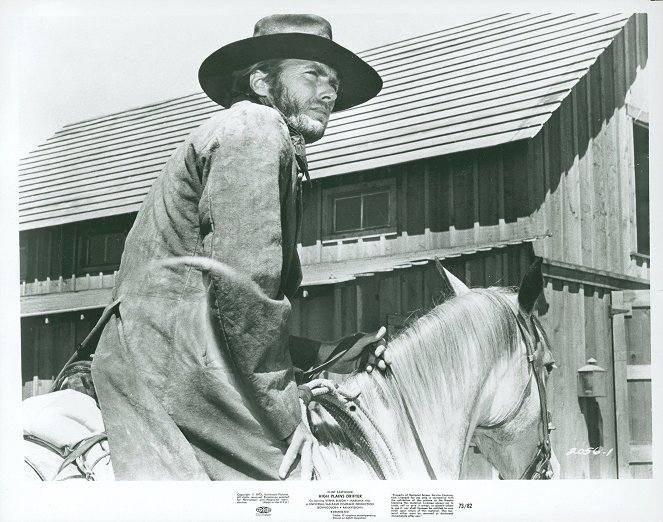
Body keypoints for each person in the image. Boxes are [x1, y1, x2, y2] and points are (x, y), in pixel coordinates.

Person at [90, 14, 388, 480]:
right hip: (164, 368)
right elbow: (246, 293)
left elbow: (234, 319)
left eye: (332, 82)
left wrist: (335, 351)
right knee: (303, 480)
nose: (329, 93)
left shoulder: (271, 141)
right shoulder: (255, 127)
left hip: (183, 357)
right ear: (261, 81)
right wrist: (289, 419)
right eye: (312, 74)